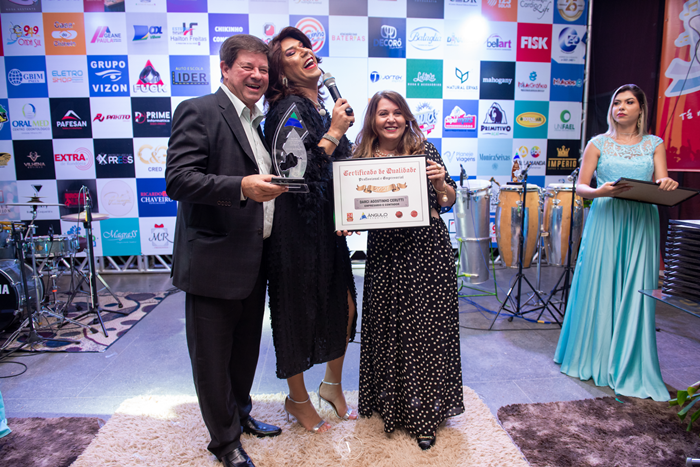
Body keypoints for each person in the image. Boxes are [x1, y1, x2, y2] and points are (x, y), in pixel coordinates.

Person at [166, 34, 287, 467]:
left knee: (245, 351)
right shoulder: (198, 110)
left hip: (253, 259)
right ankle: (224, 442)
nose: (257, 75)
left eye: (263, 69)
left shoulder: (259, 121)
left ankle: (241, 415)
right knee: (212, 360)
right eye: (247, 67)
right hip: (213, 262)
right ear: (225, 69)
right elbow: (178, 180)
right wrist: (240, 187)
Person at [354, 90, 465, 450]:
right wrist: (345, 220)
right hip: (385, 252)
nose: (390, 119)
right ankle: (391, 404)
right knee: (388, 326)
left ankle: (426, 414)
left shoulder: (425, 150)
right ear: (373, 120)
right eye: (382, 113)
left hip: (426, 249)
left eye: (397, 112)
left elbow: (447, 201)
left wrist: (440, 183)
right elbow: (352, 205)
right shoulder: (361, 157)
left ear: (406, 117)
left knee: (426, 331)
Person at [553, 84, 679, 401]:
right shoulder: (597, 143)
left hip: (641, 221)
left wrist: (666, 182)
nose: (620, 107)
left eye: (629, 102)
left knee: (636, 289)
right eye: (616, 102)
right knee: (601, 283)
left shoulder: (655, 144)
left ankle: (630, 360)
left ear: (641, 109)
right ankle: (593, 354)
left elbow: (661, 179)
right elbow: (581, 186)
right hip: (606, 218)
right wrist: (599, 192)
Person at [262, 26, 358, 434]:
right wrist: (334, 132)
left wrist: (349, 211)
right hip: (296, 231)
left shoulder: (318, 108)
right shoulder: (288, 109)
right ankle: (297, 399)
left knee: (344, 306)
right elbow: (295, 177)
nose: (304, 52)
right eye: (291, 52)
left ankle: (331, 385)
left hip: (326, 227)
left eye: (305, 47)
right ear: (281, 73)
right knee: (296, 314)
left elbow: (337, 170)